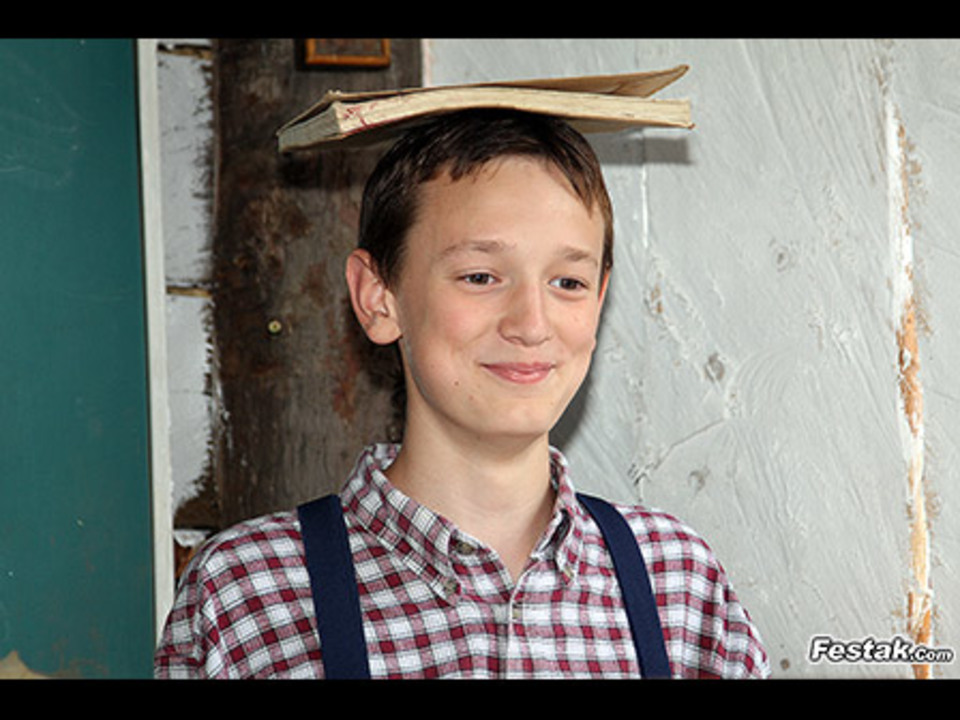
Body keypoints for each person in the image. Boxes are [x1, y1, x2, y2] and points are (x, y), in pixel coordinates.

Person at [154, 109, 770, 679]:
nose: (532, 324)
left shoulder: (677, 584)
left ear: (600, 299)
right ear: (378, 297)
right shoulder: (245, 594)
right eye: (480, 276)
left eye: (568, 281)